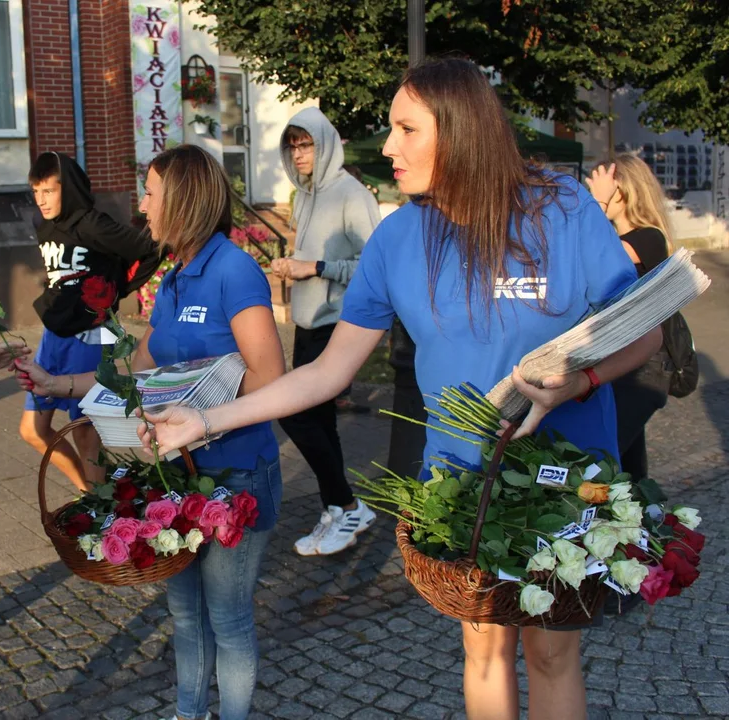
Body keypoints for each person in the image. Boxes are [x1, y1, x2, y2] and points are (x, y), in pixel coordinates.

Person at [139, 59, 662, 720]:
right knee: (484, 650)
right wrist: (205, 423)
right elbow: (327, 372)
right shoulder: (397, 239)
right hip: (461, 487)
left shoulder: (560, 208)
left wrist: (578, 381)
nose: (387, 146)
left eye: (405, 128)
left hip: (563, 476)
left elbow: (642, 335)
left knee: (552, 654)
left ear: (459, 130)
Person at [17, 145, 285, 720]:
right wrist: (56, 384)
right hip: (177, 476)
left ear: (183, 201)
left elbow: (270, 379)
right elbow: (133, 371)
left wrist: (199, 406)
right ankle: (190, 713)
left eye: (151, 192)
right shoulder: (175, 278)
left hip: (237, 472)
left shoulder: (233, 270)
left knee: (229, 619)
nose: (142, 205)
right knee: (186, 616)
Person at [270, 108, 381, 556]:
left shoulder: (352, 194)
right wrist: (295, 269)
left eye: (306, 144)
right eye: (292, 145)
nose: (298, 154)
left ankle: (348, 505)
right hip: (308, 322)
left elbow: (376, 267)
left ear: (326, 143)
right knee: (319, 422)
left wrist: (315, 268)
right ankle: (337, 508)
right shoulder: (306, 195)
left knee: (294, 413)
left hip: (338, 324)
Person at [22, 152, 161, 491]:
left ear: (66, 188)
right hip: (54, 336)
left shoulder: (91, 223)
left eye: (49, 191)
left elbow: (149, 248)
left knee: (85, 431)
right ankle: (89, 492)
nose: (41, 200)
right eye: (36, 192)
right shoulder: (44, 227)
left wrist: (116, 290)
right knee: (32, 430)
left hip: (93, 335)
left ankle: (99, 509)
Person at [586, 155, 674, 481]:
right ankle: (646, 525)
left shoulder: (649, 237)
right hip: (620, 362)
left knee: (601, 466)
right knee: (629, 469)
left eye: (607, 188)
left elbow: (593, 254)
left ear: (624, 191)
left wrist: (596, 202)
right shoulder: (618, 238)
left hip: (644, 366)